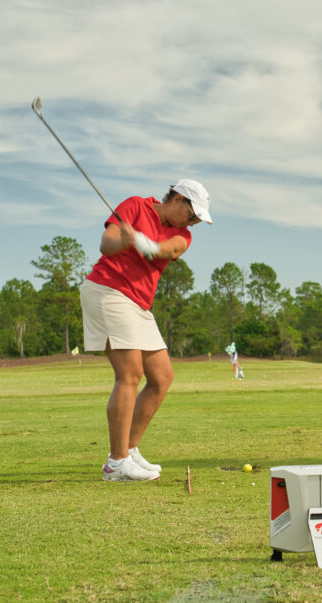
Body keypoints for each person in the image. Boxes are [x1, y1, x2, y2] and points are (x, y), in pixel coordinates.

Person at [80, 179, 213, 481]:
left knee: (162, 376)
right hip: (108, 290)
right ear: (178, 199)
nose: (194, 223)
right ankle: (116, 463)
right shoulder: (135, 205)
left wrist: (143, 243)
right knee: (130, 374)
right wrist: (125, 241)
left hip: (137, 303)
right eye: (192, 216)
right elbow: (106, 244)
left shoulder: (183, 235)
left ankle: (129, 449)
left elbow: (164, 250)